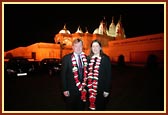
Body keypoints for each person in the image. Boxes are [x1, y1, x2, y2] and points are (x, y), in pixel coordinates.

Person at [61, 38, 88, 111]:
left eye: (80, 46)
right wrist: (65, 89)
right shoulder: (67, 58)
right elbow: (63, 75)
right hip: (70, 91)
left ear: (82, 47)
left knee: (81, 108)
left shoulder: (86, 58)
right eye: (76, 46)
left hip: (83, 91)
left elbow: (87, 73)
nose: (78, 48)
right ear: (72, 47)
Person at [87, 39, 112, 111]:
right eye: (93, 46)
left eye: (97, 46)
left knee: (100, 107)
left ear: (100, 48)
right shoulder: (88, 58)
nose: (95, 48)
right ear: (91, 48)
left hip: (101, 89)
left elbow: (108, 76)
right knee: (90, 108)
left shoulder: (105, 58)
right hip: (90, 89)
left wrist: (107, 90)